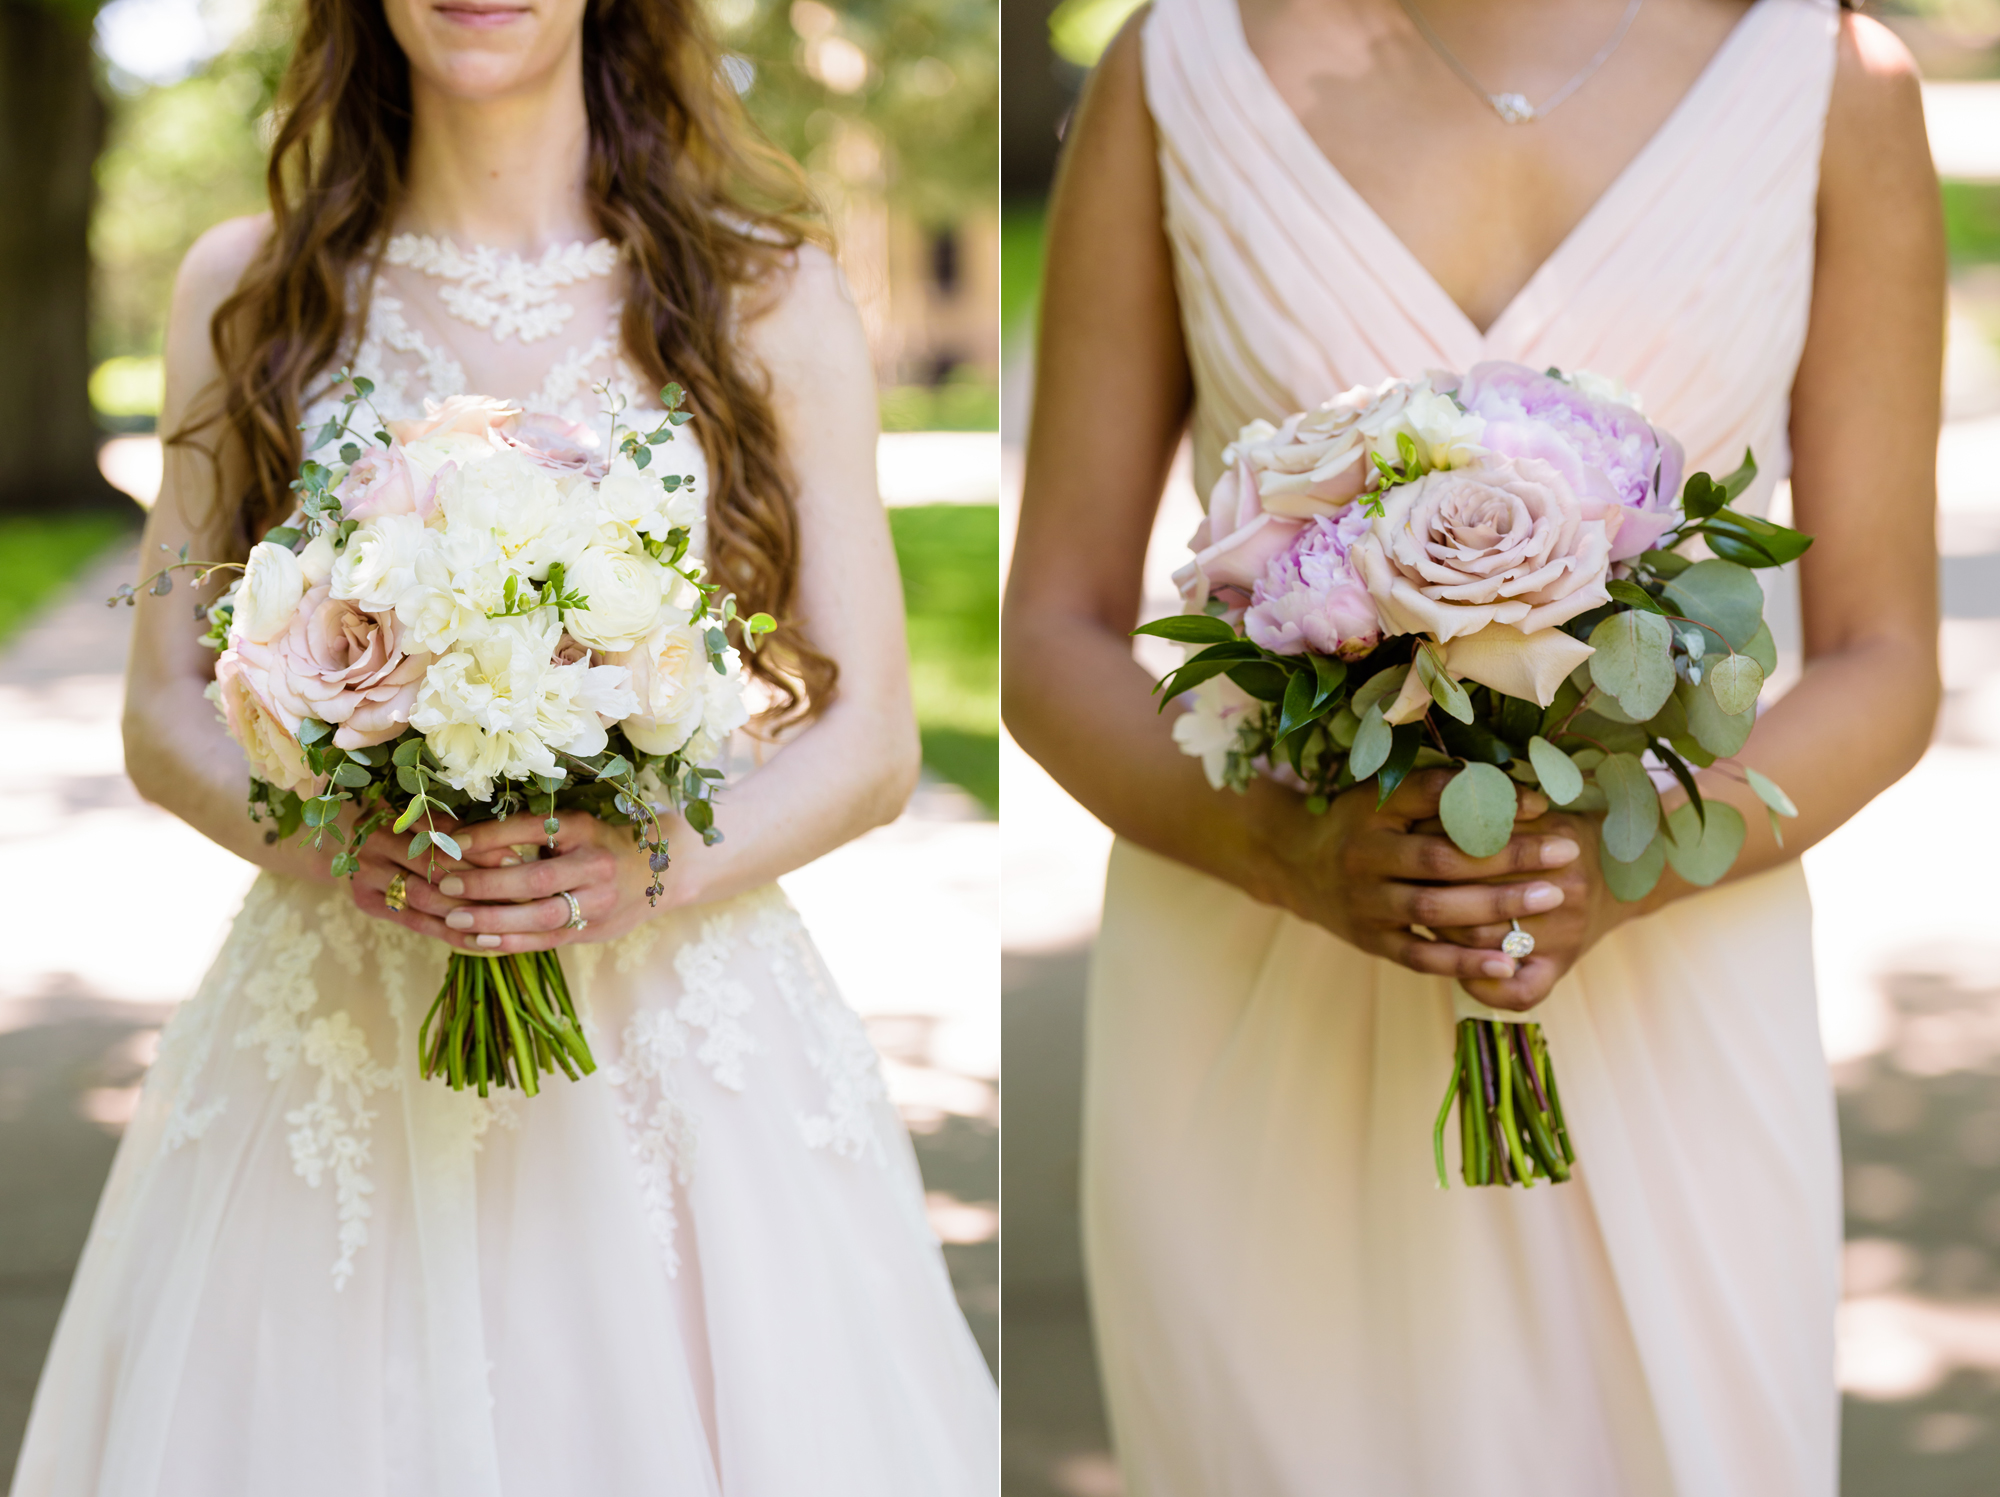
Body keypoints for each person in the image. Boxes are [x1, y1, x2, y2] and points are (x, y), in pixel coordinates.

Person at [10, 0, 995, 1490]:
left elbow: (867, 737)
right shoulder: (254, 289)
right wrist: (352, 856)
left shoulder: (764, 292)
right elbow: (161, 710)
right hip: (335, 1033)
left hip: (680, 1036)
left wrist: (639, 870)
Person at [1003, 0, 1940, 1490]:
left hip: (1672, 990)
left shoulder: (1826, 82)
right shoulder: (1175, 69)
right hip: (1259, 996)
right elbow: (1049, 632)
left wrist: (1626, 873)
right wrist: (1281, 849)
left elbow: (1889, 659)